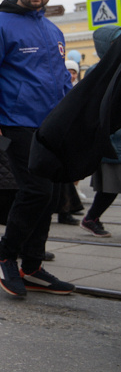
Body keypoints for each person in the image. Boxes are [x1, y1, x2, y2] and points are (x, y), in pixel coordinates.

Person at [0, 0, 74, 298]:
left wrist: (72, 119)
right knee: (37, 191)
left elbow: (61, 82)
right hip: (13, 122)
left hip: (49, 126)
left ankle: (32, 265)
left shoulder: (53, 31)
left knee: (53, 193)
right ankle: (5, 256)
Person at [80, 25, 121, 238]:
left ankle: (92, 218)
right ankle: (91, 218)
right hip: (111, 138)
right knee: (110, 187)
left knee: (111, 187)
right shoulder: (98, 71)